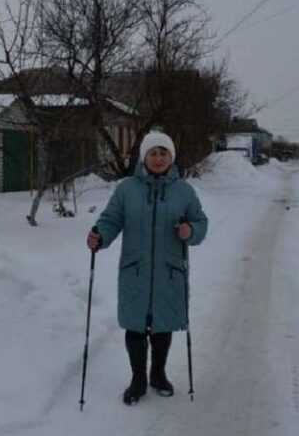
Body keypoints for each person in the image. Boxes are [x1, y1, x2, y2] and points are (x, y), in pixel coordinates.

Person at [86, 131, 208, 405]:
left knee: (163, 327)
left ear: (171, 157)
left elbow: (201, 224)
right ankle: (138, 379)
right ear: (144, 157)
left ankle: (158, 374)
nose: (158, 158)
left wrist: (191, 231)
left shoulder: (184, 191)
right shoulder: (127, 189)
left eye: (163, 153)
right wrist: (100, 237)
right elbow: (111, 220)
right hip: (135, 271)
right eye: (153, 153)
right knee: (136, 328)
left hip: (169, 271)